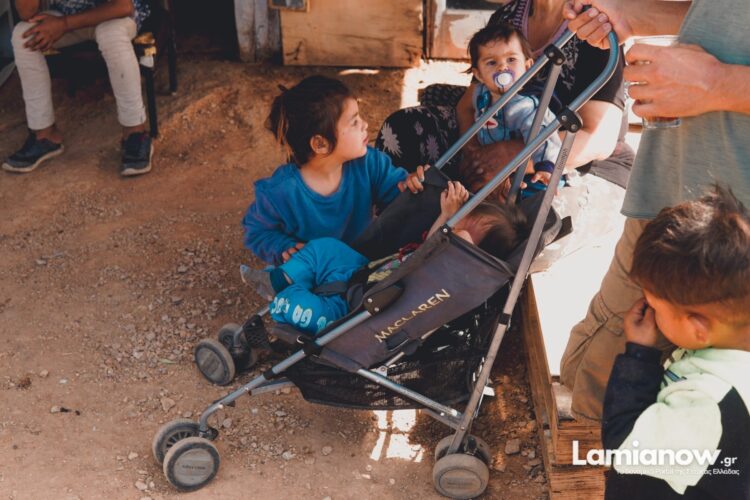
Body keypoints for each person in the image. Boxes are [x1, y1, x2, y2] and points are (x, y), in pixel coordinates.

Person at [560, 0, 750, 422]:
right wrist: (637, 16)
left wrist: (720, 84)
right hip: (671, 193)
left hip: (738, 235)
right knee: (591, 375)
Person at [376, 0, 632, 270]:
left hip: (568, 164)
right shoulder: (507, 17)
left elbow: (597, 140)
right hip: (491, 134)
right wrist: (472, 152)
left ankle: (456, 258)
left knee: (527, 233)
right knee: (403, 129)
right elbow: (468, 103)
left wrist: (515, 157)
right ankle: (386, 245)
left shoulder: (594, 28)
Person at [601, 186, 750, 499]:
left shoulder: (705, 404)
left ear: (698, 328)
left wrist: (638, 356)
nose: (649, 311)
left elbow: (624, 446)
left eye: (656, 306)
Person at [246, 181, 529, 334]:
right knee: (327, 249)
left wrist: (457, 230)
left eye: (465, 228)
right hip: (364, 273)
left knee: (304, 305)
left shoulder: (456, 269)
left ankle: (287, 294)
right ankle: (278, 280)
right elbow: (428, 247)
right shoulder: (441, 244)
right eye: (467, 216)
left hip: (358, 307)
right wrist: (447, 215)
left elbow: (438, 252)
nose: (457, 225)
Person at [242, 75, 424, 266]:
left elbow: (397, 197)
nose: (365, 124)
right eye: (354, 122)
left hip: (364, 261)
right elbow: (256, 231)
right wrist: (283, 247)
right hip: (318, 271)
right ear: (320, 144)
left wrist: (411, 185)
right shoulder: (282, 192)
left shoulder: (370, 163)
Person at [4, 0, 154, 176]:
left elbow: (122, 7)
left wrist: (64, 24)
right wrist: (61, 22)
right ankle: (45, 136)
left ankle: (135, 133)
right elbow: (26, 13)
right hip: (67, 13)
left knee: (111, 34)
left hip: (114, 15)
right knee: (23, 34)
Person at [465, 21, 562, 197]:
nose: (502, 67)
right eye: (491, 62)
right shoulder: (480, 94)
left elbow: (543, 134)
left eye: (511, 60)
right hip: (492, 171)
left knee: (524, 198)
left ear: (527, 67)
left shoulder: (524, 107)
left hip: (530, 176)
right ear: (478, 74)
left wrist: (545, 166)